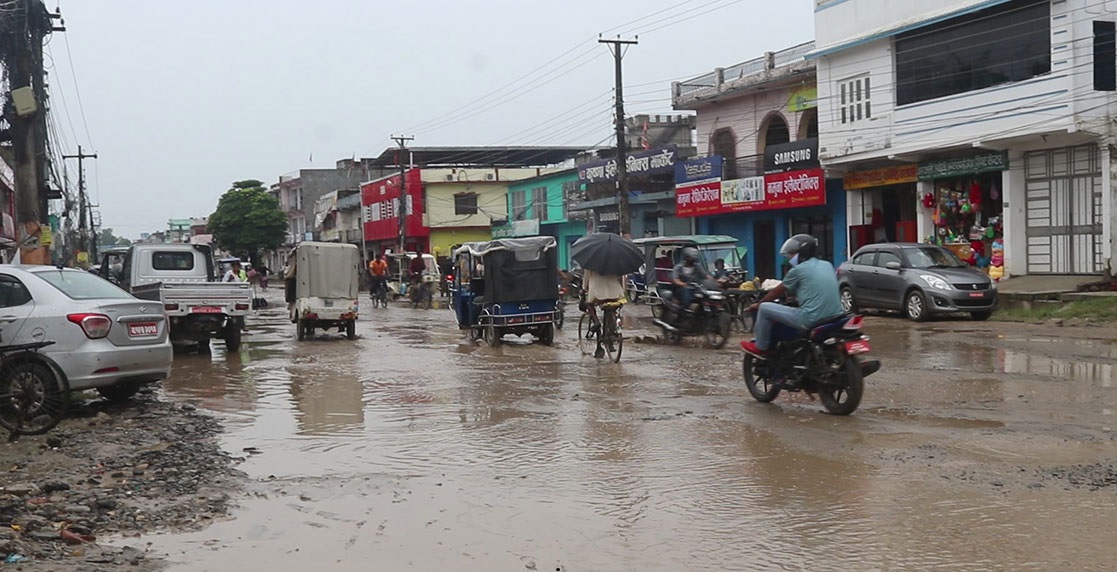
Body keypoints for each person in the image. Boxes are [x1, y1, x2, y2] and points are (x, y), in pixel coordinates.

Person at [742, 234, 844, 364]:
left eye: (792, 254)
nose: (789, 257)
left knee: (764, 308)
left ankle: (761, 347)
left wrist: (758, 304)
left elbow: (776, 292)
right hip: (835, 316)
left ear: (802, 253)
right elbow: (811, 288)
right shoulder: (827, 265)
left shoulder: (798, 270)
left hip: (810, 319)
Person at [582, 268, 625, 359]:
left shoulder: (591, 260)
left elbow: (587, 276)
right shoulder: (615, 259)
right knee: (611, 308)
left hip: (597, 290)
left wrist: (584, 288)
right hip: (615, 291)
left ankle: (596, 322)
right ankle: (611, 338)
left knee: (589, 304)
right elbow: (620, 276)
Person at [671, 247, 710, 312]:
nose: (693, 261)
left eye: (694, 259)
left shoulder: (697, 266)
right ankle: (685, 310)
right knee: (686, 291)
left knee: (704, 294)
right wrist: (683, 284)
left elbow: (705, 275)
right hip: (681, 289)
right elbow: (675, 279)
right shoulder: (678, 267)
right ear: (686, 258)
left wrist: (713, 281)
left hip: (695, 288)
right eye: (691, 259)